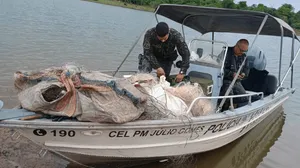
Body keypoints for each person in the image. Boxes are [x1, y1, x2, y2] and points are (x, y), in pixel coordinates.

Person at [219, 39, 250, 110]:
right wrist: (231, 74)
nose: (242, 52)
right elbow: (219, 67)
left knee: (244, 98)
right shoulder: (225, 53)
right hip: (224, 79)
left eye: (244, 51)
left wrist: (243, 74)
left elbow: (247, 69)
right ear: (236, 46)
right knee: (228, 96)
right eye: (241, 50)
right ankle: (222, 108)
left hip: (236, 81)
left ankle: (235, 107)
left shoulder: (244, 57)